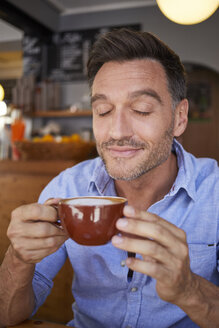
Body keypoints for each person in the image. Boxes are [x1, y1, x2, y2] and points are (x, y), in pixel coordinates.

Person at [0, 28, 218, 328]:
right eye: (103, 111)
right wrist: (18, 260)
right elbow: (6, 316)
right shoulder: (67, 188)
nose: (116, 132)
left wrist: (190, 290)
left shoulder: (215, 191)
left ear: (179, 118)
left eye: (141, 109)